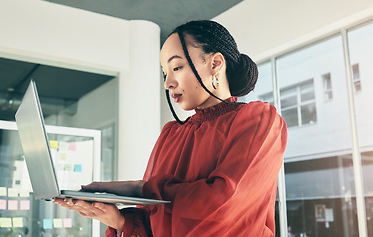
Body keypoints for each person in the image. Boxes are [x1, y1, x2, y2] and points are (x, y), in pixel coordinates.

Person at [53, 20, 287, 237]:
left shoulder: (260, 120)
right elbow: (154, 222)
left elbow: (222, 204)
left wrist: (137, 188)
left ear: (215, 64)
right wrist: (119, 220)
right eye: (165, 73)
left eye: (176, 68)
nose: (167, 83)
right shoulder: (171, 134)